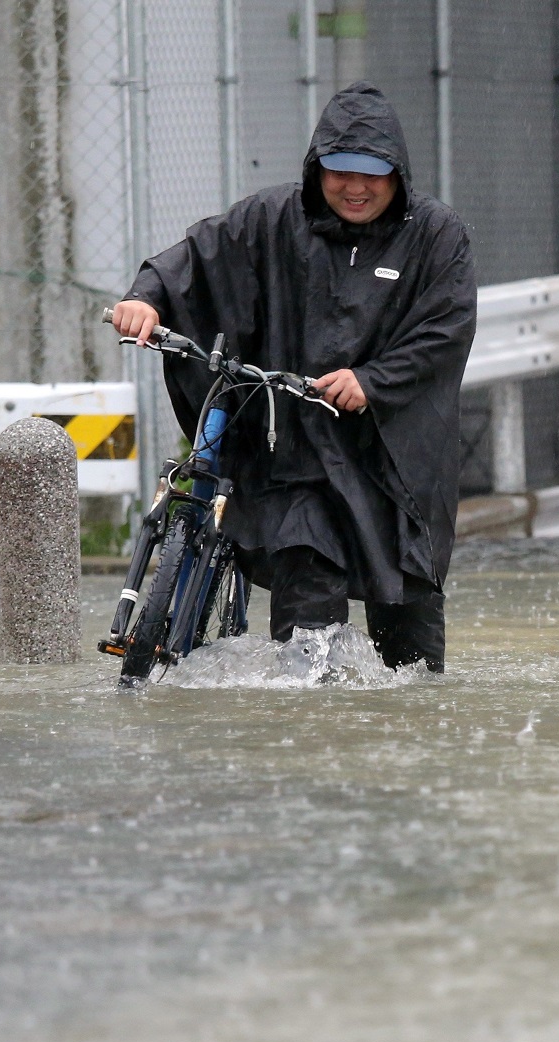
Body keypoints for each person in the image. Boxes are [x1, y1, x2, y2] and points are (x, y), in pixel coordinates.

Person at [111, 81, 476, 672]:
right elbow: (195, 258)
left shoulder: (436, 234)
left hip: (394, 456)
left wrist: (373, 381)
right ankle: (310, 728)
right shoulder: (274, 218)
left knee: (410, 638)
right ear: (317, 169)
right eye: (339, 172)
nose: (354, 188)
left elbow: (447, 328)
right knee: (308, 611)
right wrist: (146, 299)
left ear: (397, 174)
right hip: (297, 450)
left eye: (372, 174)